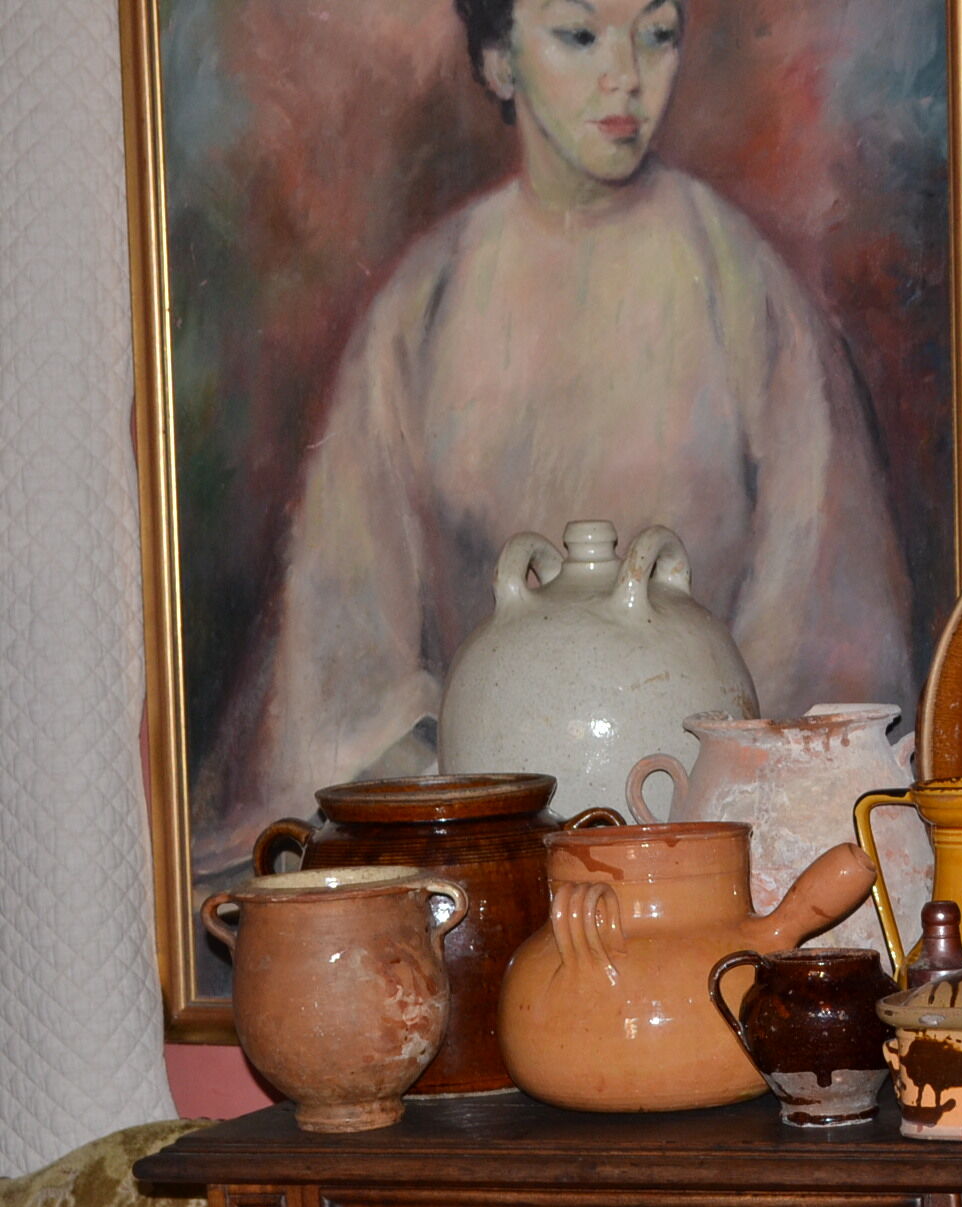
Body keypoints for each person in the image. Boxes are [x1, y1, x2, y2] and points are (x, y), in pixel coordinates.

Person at [195, 0, 914, 870]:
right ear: (500, 62)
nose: (626, 77)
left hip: (706, 843)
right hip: (484, 848)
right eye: (580, 36)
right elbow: (342, 664)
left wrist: (706, 803)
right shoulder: (429, 301)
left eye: (656, 34)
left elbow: (822, 622)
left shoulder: (737, 279)